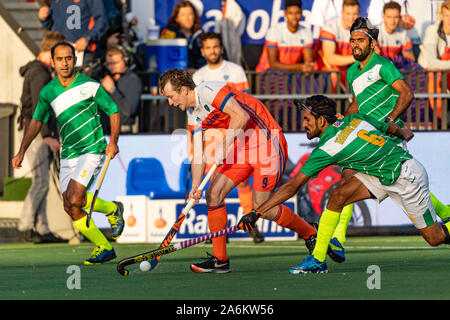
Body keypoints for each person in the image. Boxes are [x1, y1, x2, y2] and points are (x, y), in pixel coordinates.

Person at [238, 95, 450, 274]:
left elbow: (292, 186)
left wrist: (257, 212)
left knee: (435, 238)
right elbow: (387, 126)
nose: (303, 124)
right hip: (381, 174)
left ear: (322, 121)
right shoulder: (355, 119)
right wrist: (402, 133)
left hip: (406, 177)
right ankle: (318, 260)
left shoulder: (326, 149)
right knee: (339, 196)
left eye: (307, 119)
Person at [159, 69, 317, 273]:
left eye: (171, 97)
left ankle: (309, 232)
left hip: (267, 143)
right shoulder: (194, 114)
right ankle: (220, 260)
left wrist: (224, 144)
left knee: (262, 207)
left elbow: (240, 116)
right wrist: (195, 186)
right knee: (212, 193)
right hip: (242, 148)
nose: (170, 103)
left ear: (183, 89)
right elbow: (198, 154)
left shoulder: (208, 90)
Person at [328, 16, 450, 263]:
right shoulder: (352, 72)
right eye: (352, 40)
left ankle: (337, 240)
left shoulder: (384, 66)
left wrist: (392, 121)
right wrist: (343, 120)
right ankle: (337, 240)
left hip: (389, 138)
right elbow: (357, 103)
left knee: (368, 178)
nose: (354, 45)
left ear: (372, 43)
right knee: (349, 176)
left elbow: (407, 93)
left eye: (360, 40)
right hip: (370, 138)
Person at [12, 42, 125, 265]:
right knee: (71, 204)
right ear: (52, 62)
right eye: (60, 59)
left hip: (92, 149)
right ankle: (105, 244)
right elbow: (36, 121)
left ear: (75, 60)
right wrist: (21, 151)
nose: (65, 63)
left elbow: (113, 110)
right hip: (69, 153)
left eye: (69, 58)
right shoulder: (48, 91)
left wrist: (113, 141)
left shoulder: (91, 85)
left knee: (75, 196)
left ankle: (112, 211)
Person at [192, 31, 264, 243]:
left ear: (221, 48)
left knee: (240, 182)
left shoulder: (235, 71)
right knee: (213, 183)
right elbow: (195, 115)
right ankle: (218, 230)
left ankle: (251, 224)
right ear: (202, 51)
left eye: (216, 46)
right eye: (208, 47)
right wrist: (193, 144)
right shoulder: (198, 76)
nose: (212, 51)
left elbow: (246, 103)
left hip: (235, 131)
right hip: (211, 135)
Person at [17, 31, 67, 244]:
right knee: (41, 182)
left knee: (43, 181)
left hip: (35, 131)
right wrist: (47, 136)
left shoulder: (38, 71)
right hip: (36, 132)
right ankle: (26, 225)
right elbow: (39, 107)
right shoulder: (40, 74)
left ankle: (42, 227)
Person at [38, 0, 110, 67]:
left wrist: (87, 38)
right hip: (59, 54)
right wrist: (44, 19)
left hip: (82, 53)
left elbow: (102, 21)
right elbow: (53, 27)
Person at [255, 0, 314, 73]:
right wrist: (300, 67)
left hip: (293, 74)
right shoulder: (274, 31)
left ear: (301, 13)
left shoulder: (307, 32)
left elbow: (308, 60)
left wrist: (307, 67)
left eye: (297, 13)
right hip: (267, 74)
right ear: (285, 14)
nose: (294, 17)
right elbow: (273, 64)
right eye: (291, 13)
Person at [101, 45, 143, 133]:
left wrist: (112, 90)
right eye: (109, 64)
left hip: (123, 133)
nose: (112, 66)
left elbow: (128, 111)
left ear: (126, 61)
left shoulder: (133, 80)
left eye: (116, 62)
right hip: (104, 131)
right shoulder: (106, 79)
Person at [316, 0, 360, 78]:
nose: (351, 18)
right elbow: (330, 58)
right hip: (325, 73)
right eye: (348, 14)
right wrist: (357, 58)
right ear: (342, 13)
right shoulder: (330, 27)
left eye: (355, 14)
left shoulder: (361, 29)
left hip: (346, 73)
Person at [160, 0, 205, 70]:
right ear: (176, 18)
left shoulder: (200, 34)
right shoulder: (168, 32)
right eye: (183, 15)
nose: (188, 18)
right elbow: (164, 57)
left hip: (199, 74)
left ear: (195, 16)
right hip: (176, 73)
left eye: (190, 14)